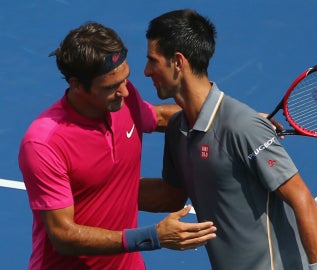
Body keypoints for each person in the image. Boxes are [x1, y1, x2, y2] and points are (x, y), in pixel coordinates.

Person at [139, 9, 317, 270]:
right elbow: (170, 196)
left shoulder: (243, 127)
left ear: (177, 62)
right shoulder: (178, 130)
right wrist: (97, 190)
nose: (146, 71)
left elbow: (302, 198)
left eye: (153, 61)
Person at [18, 22, 218, 270]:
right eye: (111, 87)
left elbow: (162, 118)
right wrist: (153, 237)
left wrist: (233, 121)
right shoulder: (44, 144)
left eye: (125, 79)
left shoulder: (124, 99)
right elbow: (63, 236)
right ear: (77, 85)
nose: (125, 91)